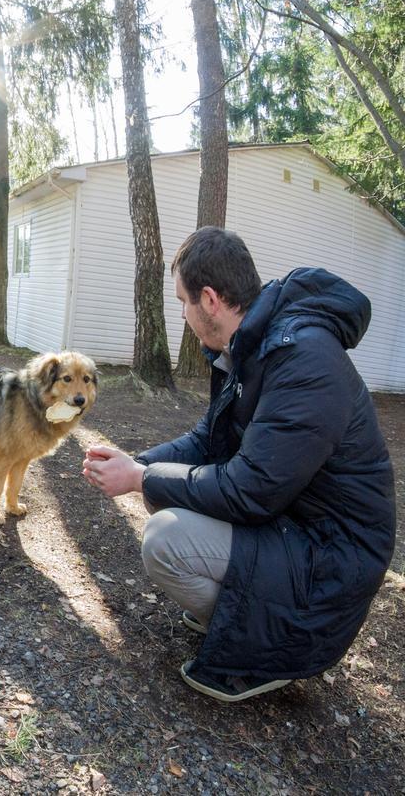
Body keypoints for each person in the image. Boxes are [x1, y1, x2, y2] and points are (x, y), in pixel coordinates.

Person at [82, 227, 396, 702]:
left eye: (183, 301)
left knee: (165, 539)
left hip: (332, 557)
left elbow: (249, 489)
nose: (182, 313)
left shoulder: (303, 360)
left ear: (209, 299)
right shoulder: (253, 347)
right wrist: (138, 464)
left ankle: (267, 651)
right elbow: (210, 439)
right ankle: (237, 612)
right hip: (294, 526)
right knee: (162, 493)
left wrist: (142, 477)